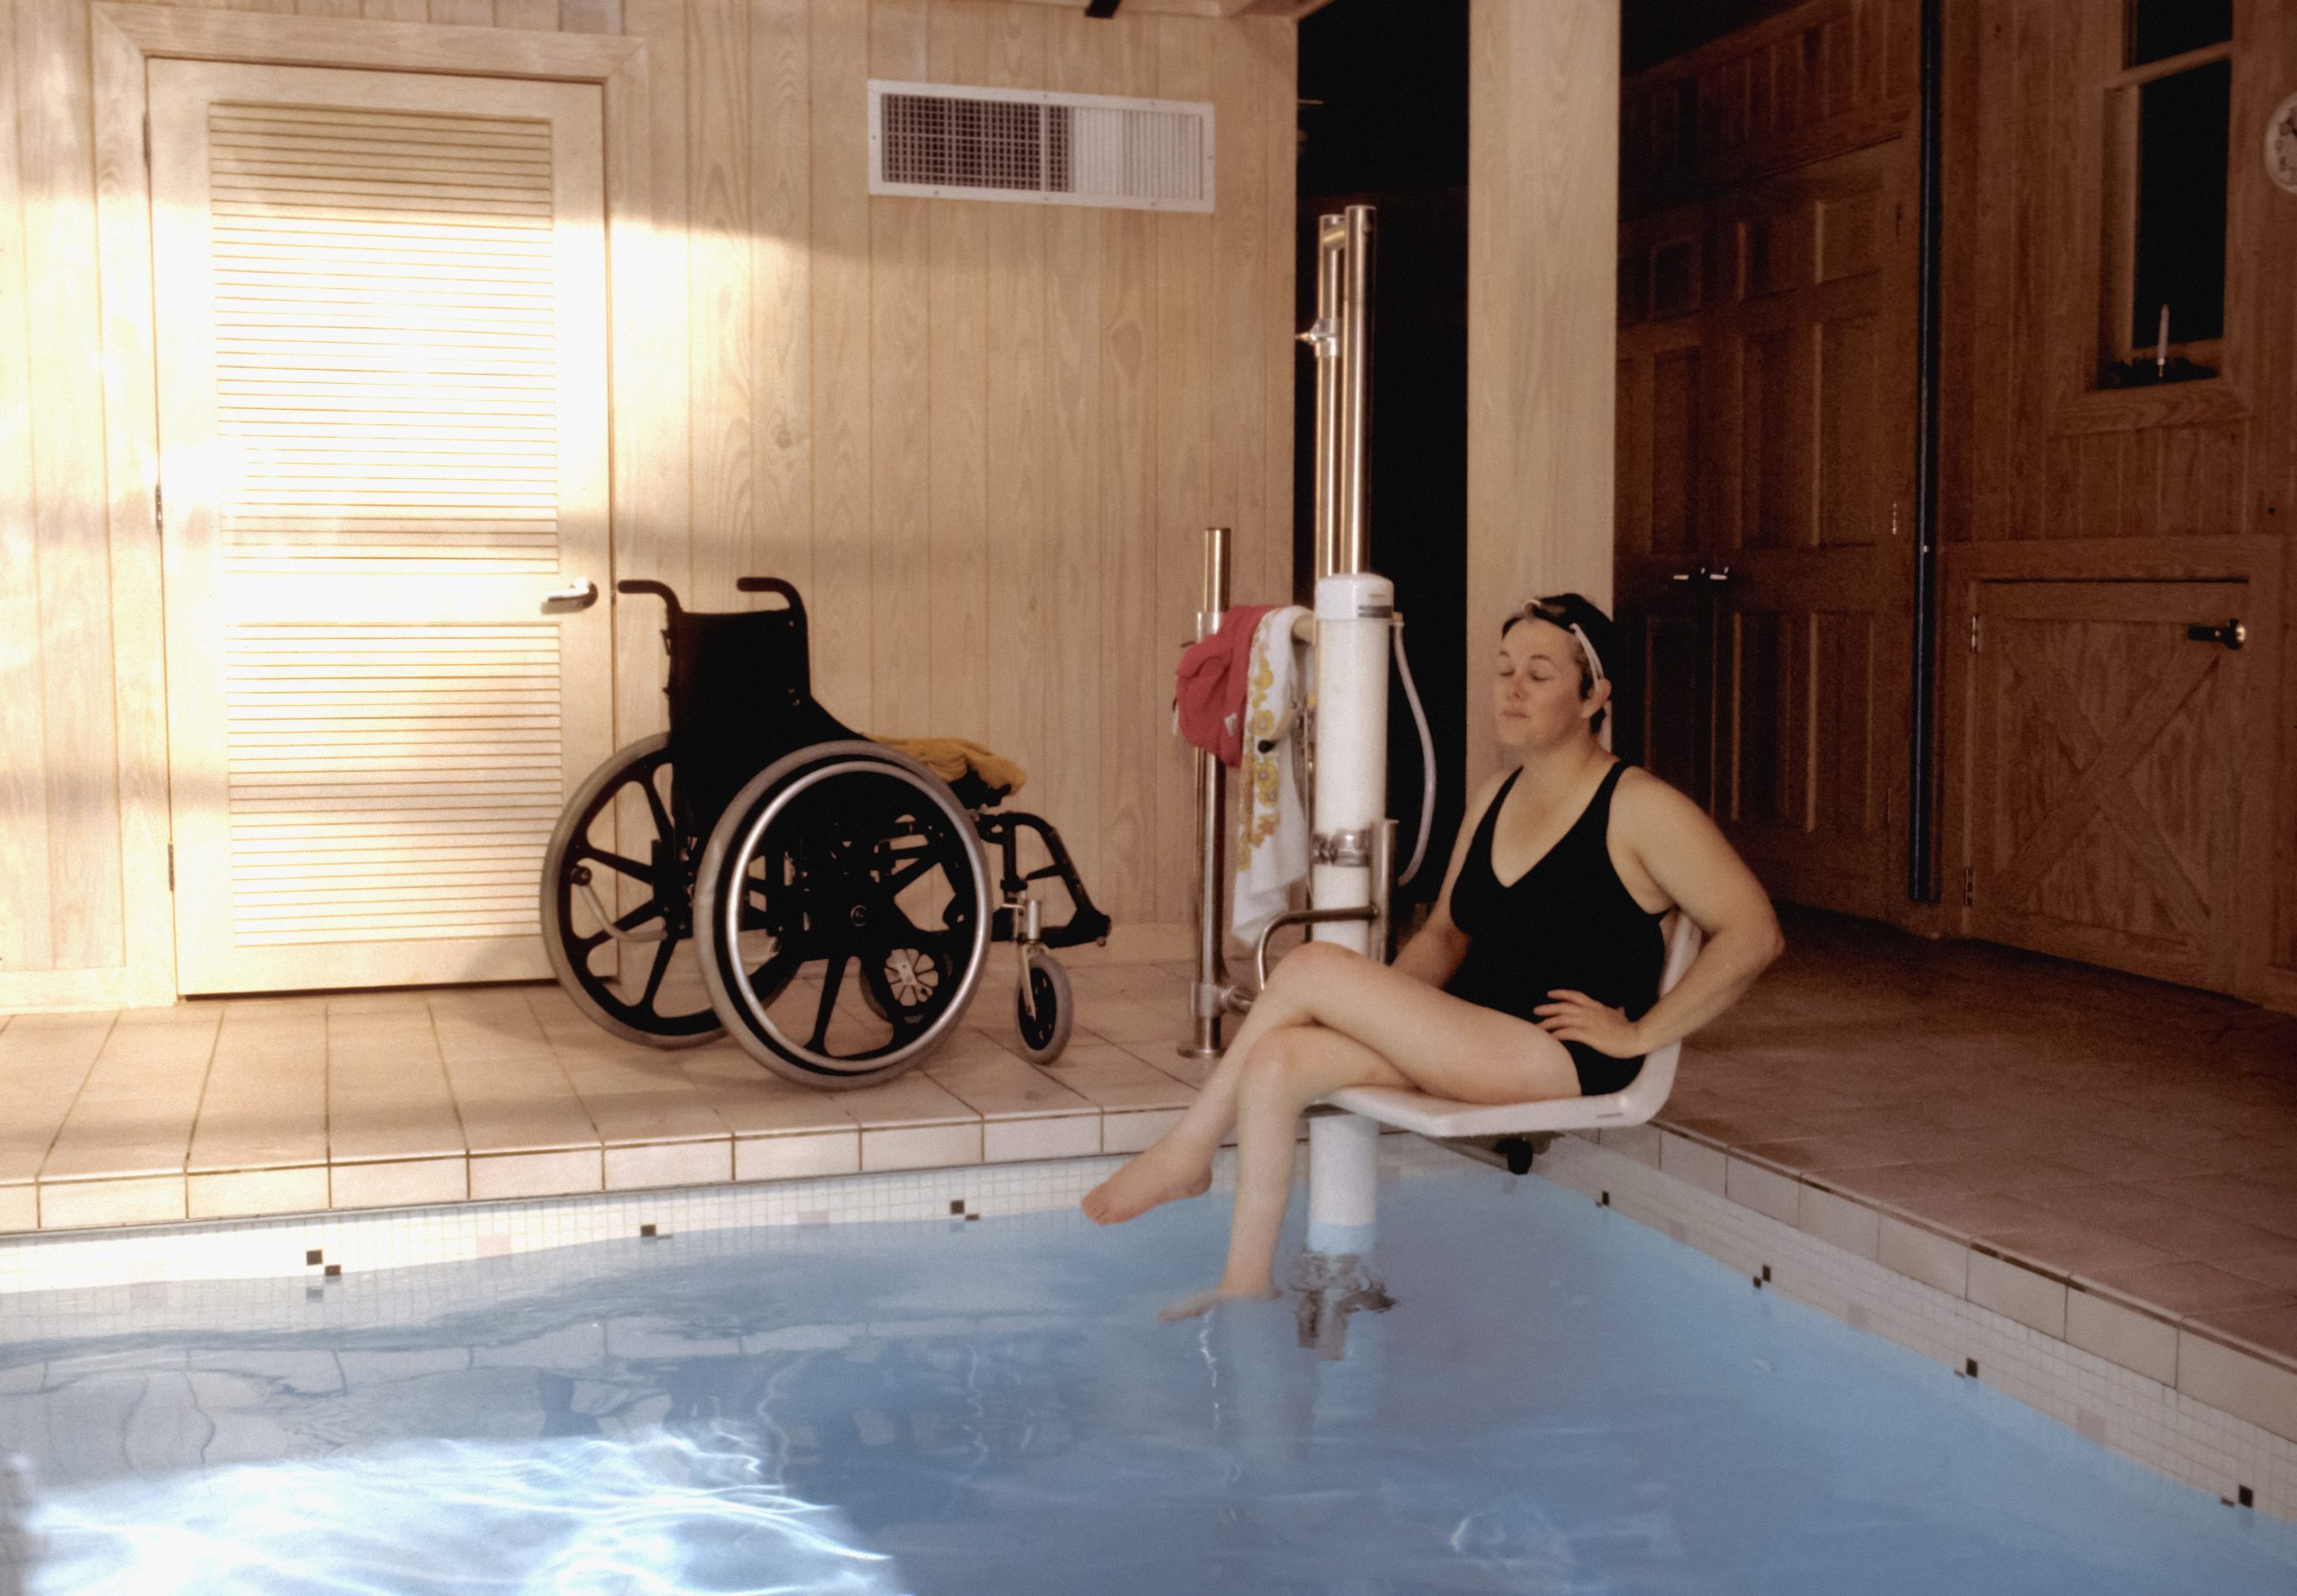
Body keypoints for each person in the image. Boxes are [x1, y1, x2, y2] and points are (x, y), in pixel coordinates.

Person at [1082, 593, 1786, 1319]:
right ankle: (1243, 1286)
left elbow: (1754, 931)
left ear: (1594, 695)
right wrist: (1372, 1012)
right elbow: (1447, 934)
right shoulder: (1496, 795)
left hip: (1554, 1050)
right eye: (1504, 668)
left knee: (1311, 967)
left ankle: (1188, 1151)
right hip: (1474, 1030)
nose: (1512, 687)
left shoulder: (1640, 806)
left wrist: (1641, 1034)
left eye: (1540, 674)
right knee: (1277, 1060)